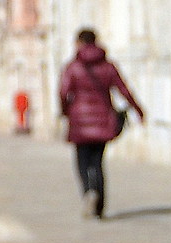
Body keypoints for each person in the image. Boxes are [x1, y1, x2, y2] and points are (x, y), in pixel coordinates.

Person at [57, 28, 143, 217]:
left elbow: (63, 92)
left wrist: (65, 111)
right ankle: (99, 207)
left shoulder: (72, 67)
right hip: (103, 120)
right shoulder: (108, 66)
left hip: (80, 121)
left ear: (78, 43)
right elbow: (124, 89)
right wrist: (138, 110)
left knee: (82, 161)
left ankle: (89, 191)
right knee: (97, 162)